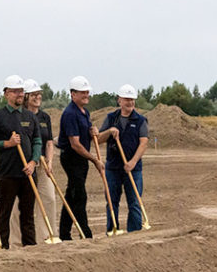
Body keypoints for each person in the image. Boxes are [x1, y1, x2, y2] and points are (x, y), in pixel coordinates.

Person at [0, 75, 42, 249]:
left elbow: (37, 141)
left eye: (21, 91)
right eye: (15, 91)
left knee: (28, 214)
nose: (19, 94)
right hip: (7, 174)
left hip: (28, 173)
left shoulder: (30, 116)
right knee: (4, 213)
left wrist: (33, 162)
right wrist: (6, 144)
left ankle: (30, 245)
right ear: (6, 94)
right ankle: (2, 245)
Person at [97, 84, 149, 232]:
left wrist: (132, 162)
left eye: (132, 100)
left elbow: (143, 143)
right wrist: (110, 131)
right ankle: (112, 230)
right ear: (119, 100)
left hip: (133, 169)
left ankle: (134, 233)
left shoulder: (141, 120)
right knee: (112, 202)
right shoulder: (111, 118)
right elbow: (99, 139)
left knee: (134, 202)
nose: (130, 103)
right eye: (127, 99)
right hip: (113, 168)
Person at [10, 78, 57, 243]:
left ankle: (45, 235)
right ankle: (15, 240)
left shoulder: (45, 117)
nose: (38, 97)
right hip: (24, 164)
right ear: (26, 97)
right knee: (19, 203)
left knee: (49, 198)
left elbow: (49, 142)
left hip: (42, 163)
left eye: (39, 94)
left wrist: (50, 162)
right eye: (34, 95)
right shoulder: (19, 116)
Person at [56, 75, 102, 240]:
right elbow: (74, 143)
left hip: (81, 159)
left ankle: (64, 233)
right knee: (80, 196)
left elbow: (87, 135)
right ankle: (86, 233)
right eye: (82, 92)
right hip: (71, 158)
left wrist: (94, 132)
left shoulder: (85, 112)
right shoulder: (70, 113)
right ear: (73, 94)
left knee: (71, 195)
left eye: (87, 92)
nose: (86, 95)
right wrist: (94, 159)